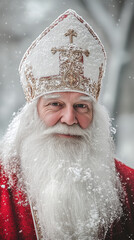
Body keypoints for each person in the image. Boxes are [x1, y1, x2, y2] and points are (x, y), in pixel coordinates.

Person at [0, 9, 134, 240]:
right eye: (55, 104)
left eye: (82, 107)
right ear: (32, 115)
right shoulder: (4, 184)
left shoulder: (128, 185)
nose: (70, 119)